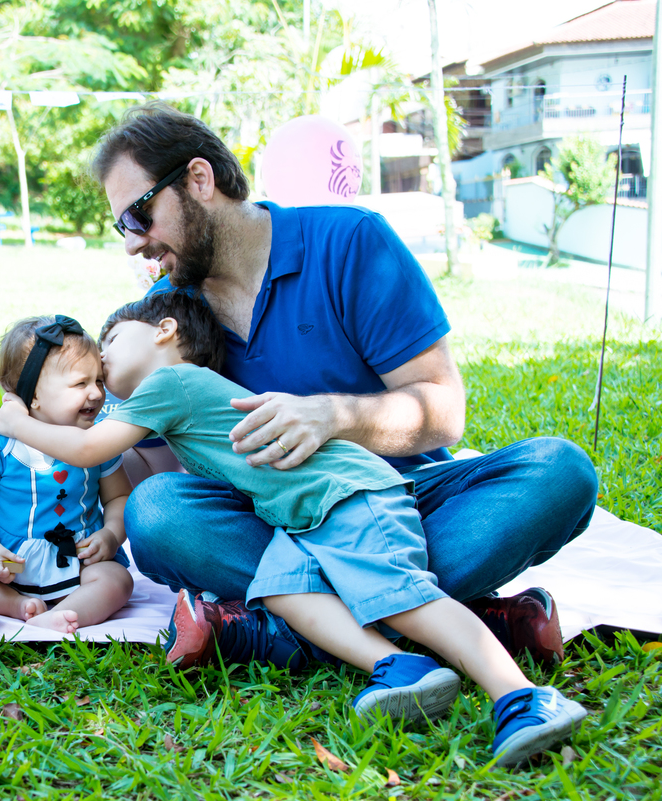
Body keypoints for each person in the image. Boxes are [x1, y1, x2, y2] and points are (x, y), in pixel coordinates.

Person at [89, 103, 597, 669]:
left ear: (199, 180)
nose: (133, 244)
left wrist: (332, 416)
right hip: (278, 524)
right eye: (123, 228)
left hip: (404, 505)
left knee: (560, 472)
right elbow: (148, 462)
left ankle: (276, 634)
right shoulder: (169, 317)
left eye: (139, 217)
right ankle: (458, 622)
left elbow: (444, 408)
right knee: (157, 514)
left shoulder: (351, 242)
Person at [0, 290, 586, 765]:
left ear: (164, 332)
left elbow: (90, 450)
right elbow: (125, 470)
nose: (103, 357)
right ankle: (403, 666)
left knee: (399, 595)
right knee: (283, 591)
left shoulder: (169, 383)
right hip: (296, 518)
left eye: (110, 340)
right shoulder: (169, 407)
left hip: (346, 495)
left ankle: (522, 697)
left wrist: (16, 422)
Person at [0, 316, 134, 634]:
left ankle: (61, 614)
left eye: (99, 380)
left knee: (118, 581)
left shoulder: (98, 441)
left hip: (78, 556)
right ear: (33, 396)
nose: (96, 393)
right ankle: (16, 605)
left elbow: (119, 497)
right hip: (14, 562)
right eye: (81, 383)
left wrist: (110, 535)